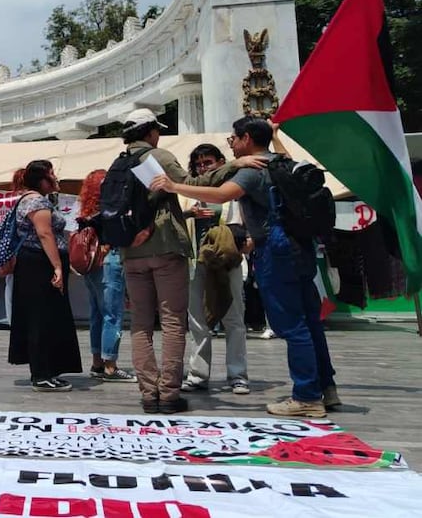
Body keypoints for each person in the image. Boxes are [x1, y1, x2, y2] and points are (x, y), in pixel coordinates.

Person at [151, 116, 339, 418]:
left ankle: (306, 396)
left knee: (291, 325)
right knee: (310, 322)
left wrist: (174, 186)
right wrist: (275, 135)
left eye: (234, 139)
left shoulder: (252, 170)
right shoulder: (280, 161)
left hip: (275, 248)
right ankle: (326, 389)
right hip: (299, 247)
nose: (233, 144)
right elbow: (285, 155)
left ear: (247, 138)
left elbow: (222, 195)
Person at [116, 109, 265, 414]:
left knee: (141, 324)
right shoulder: (158, 156)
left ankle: (148, 393)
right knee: (173, 321)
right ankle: (169, 393)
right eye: (156, 130)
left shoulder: (119, 162)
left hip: (132, 251)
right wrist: (235, 164)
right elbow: (194, 181)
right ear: (150, 132)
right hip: (166, 248)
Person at [180, 145, 250, 395]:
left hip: (226, 260)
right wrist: (190, 213)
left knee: (233, 318)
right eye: (198, 164)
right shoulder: (189, 190)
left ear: (221, 162)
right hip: (195, 261)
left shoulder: (233, 187)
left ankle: (237, 374)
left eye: (208, 162)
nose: (203, 167)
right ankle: (198, 374)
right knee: (197, 320)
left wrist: (247, 241)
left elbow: (247, 220)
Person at [8, 160, 82, 391]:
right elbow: (44, 233)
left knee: (49, 317)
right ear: (42, 179)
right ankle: (41, 374)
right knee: (40, 318)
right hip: (38, 265)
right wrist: (57, 266)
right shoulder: (35, 201)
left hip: (39, 263)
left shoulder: (37, 199)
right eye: (51, 174)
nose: (55, 177)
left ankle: (48, 370)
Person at [77, 169, 135, 382]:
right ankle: (110, 365)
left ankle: (97, 363)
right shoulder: (109, 209)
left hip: (91, 264)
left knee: (97, 315)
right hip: (109, 259)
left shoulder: (86, 212)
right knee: (112, 314)